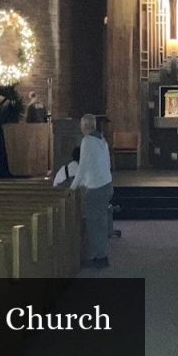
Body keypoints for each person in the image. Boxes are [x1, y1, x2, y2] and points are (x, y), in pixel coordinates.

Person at [71, 114, 113, 268]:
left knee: (93, 224)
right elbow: (107, 163)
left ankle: (100, 256)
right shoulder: (101, 139)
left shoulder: (87, 141)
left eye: (81, 126)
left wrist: (72, 187)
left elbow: (82, 167)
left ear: (85, 126)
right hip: (107, 184)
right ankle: (101, 254)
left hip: (96, 188)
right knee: (100, 222)